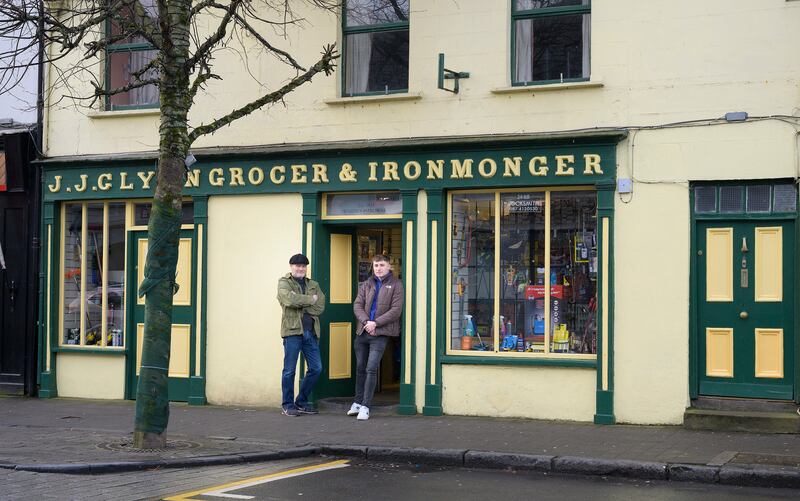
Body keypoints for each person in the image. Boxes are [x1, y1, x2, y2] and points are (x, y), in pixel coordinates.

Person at [349, 254, 404, 421]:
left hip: (381, 333)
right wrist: (367, 322)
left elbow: (396, 310)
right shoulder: (367, 284)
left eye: (381, 265)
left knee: (371, 368)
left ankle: (366, 406)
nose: (378, 268)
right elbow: (357, 304)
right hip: (363, 331)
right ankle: (357, 403)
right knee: (360, 368)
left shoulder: (396, 285)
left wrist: (376, 323)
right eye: (376, 266)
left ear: (389, 267)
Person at [277, 253, 326, 417]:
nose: (301, 268)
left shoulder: (313, 284)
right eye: (297, 265)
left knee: (316, 368)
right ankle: (287, 405)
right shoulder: (284, 282)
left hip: (310, 332)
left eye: (303, 266)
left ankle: (301, 402)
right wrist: (309, 300)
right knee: (289, 371)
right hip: (292, 331)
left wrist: (301, 301)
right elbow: (288, 300)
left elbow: (320, 306)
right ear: (291, 266)